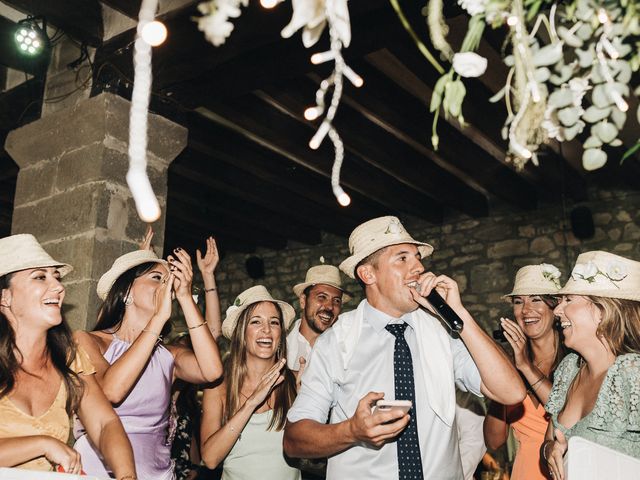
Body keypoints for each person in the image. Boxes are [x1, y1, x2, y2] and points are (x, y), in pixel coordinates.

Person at [284, 216, 526, 480]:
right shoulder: (336, 341)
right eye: (403, 258)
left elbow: (511, 392)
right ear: (368, 273)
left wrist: (459, 314)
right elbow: (294, 439)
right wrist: (351, 431)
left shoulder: (441, 331)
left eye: (417, 257)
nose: (418, 267)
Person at [74, 245, 223, 479]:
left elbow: (213, 371)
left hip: (158, 473)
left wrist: (184, 297)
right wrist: (157, 319)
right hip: (100, 469)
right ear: (126, 292)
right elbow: (110, 391)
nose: (166, 286)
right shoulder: (87, 340)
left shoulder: (169, 355)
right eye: (156, 278)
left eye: (168, 281)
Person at [0, 234, 137, 479]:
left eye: (57, 277)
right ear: (5, 297)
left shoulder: (69, 357)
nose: (59, 287)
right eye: (40, 277)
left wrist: (127, 476)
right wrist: (43, 444)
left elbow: (105, 424)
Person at [543, 251, 640, 480]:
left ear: (601, 310)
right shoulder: (569, 369)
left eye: (568, 300)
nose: (557, 311)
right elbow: (549, 440)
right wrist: (549, 451)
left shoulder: (632, 372)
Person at [200, 285, 301, 480]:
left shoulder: (297, 381)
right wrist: (252, 402)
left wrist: (305, 404)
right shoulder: (218, 387)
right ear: (242, 334)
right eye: (256, 322)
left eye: (274, 322)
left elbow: (313, 452)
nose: (266, 330)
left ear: (281, 335)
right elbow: (210, 459)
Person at [484, 264, 567, 480]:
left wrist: (524, 365)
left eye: (536, 299)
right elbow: (493, 441)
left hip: (566, 469)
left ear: (554, 306)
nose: (526, 310)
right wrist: (503, 383)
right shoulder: (513, 367)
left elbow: (565, 413)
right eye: (519, 302)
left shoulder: (574, 360)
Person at [287, 264, 351, 371]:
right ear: (303, 301)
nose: (330, 306)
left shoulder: (347, 348)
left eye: (336, 301)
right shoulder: (281, 350)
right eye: (322, 297)